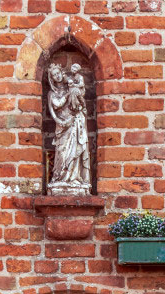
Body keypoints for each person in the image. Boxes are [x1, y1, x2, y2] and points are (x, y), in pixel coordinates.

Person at [47, 62, 91, 195]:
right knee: (61, 152)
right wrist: (60, 121)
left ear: (62, 72)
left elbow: (79, 99)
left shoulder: (71, 87)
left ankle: (74, 178)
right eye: (54, 75)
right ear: (52, 78)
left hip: (74, 122)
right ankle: (60, 178)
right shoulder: (52, 93)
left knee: (75, 148)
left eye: (58, 73)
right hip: (61, 125)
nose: (57, 76)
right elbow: (55, 106)